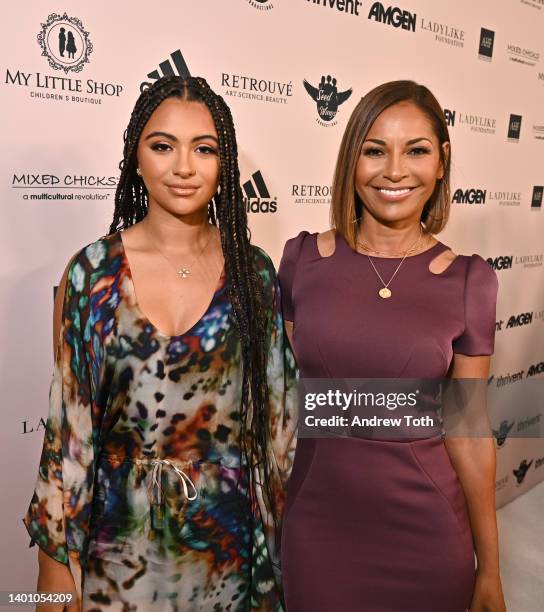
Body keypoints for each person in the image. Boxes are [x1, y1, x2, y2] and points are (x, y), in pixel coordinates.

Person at [23, 75, 296, 611]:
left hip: (227, 554)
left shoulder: (253, 274)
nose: (184, 167)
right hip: (115, 553)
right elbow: (68, 437)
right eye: (163, 145)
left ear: (225, 162)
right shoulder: (92, 274)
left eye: (204, 148)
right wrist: (54, 569)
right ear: (136, 156)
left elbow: (279, 429)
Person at [278, 80, 506, 612]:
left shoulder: (470, 281)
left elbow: (469, 432)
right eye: (375, 150)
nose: (395, 171)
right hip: (317, 528)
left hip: (427, 536)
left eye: (417, 151)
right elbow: (282, 405)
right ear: (350, 159)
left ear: (442, 161)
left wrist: (490, 568)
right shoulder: (301, 262)